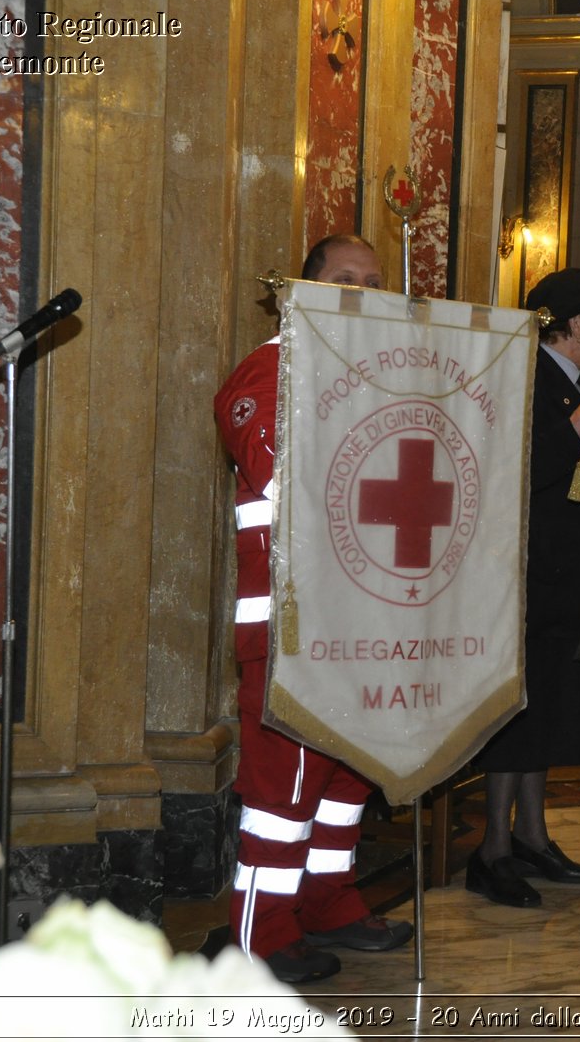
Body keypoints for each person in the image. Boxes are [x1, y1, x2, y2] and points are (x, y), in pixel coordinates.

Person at [213, 233, 412, 984]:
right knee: (283, 795)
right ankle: (257, 934)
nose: (359, 293)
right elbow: (278, 467)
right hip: (292, 626)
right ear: (302, 286)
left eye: (372, 281)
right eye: (343, 280)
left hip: (366, 625)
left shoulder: (376, 378)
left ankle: (327, 902)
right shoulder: (264, 371)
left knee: (345, 782)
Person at [466, 268, 580, 908]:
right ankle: (491, 849)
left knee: (550, 707)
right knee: (518, 711)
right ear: (575, 323)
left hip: (570, 580)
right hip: (524, 576)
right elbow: (503, 468)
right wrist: (575, 430)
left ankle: (532, 833)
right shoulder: (521, 377)